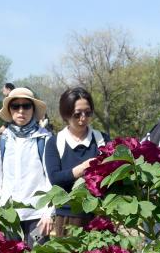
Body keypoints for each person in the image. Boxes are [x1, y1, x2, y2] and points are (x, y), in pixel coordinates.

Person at [0, 87, 52, 247]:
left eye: (26, 106)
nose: (21, 110)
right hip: (9, 216)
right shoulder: (1, 141)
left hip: (38, 216)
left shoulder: (45, 139)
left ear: (33, 109)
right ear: (10, 110)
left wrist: (49, 212)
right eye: (15, 106)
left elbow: (51, 179)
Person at [43, 87, 110, 236]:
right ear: (66, 114)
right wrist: (82, 168)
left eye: (88, 113)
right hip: (68, 216)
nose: (83, 118)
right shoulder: (55, 143)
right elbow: (55, 178)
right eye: (77, 114)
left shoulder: (102, 140)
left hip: (99, 213)